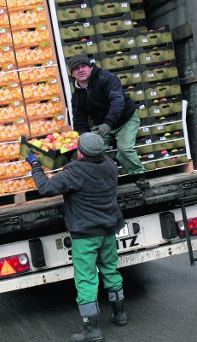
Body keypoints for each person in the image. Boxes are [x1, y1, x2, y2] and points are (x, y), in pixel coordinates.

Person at [26, 133, 127, 342]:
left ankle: (92, 331)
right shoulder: (110, 165)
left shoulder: (75, 171)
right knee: (110, 270)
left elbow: (45, 188)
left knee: (86, 279)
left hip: (85, 235)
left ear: (79, 151)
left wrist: (35, 164)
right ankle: (120, 314)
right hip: (108, 229)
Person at [67, 54, 150, 189]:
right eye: (76, 68)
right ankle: (103, 180)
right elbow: (79, 119)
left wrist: (109, 123)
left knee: (124, 149)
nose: (80, 70)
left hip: (125, 120)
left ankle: (139, 176)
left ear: (90, 67)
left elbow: (117, 100)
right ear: (72, 74)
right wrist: (83, 138)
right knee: (91, 151)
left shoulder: (106, 78)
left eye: (83, 66)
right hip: (102, 125)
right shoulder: (77, 96)